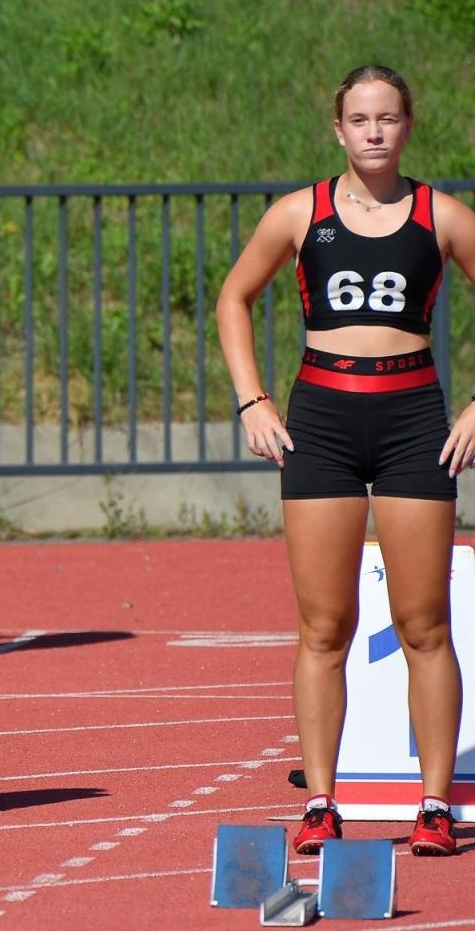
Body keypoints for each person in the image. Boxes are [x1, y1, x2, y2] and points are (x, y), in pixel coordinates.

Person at [216, 65, 470, 858]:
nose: (373, 131)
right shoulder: (301, 214)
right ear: (337, 129)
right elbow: (234, 297)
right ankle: (322, 800)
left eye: (387, 118)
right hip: (322, 421)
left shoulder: (444, 215)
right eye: (358, 119)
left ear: (408, 125)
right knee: (324, 625)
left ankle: (434, 805)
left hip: (412, 420)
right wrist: (253, 399)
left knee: (424, 623)